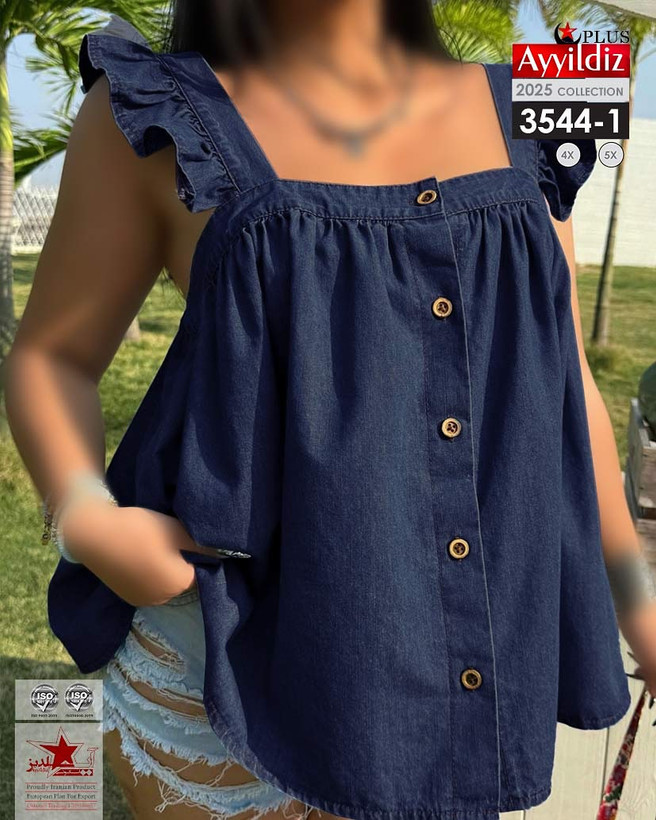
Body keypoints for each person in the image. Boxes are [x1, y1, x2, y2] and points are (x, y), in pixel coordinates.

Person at [5, 1, 656, 818]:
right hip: (222, 677)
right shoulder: (151, 108)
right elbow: (52, 357)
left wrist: (637, 605)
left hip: (459, 677)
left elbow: (567, 384)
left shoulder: (540, 101)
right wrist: (86, 519)